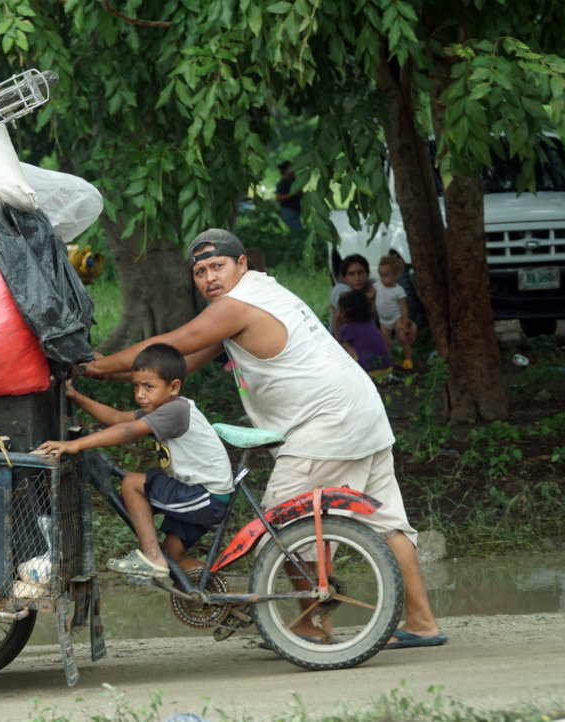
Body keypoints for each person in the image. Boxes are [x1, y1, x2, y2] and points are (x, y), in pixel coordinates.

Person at [82, 228, 446, 650]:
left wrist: (94, 367)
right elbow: (173, 365)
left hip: (327, 424)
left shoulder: (236, 306)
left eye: (217, 266)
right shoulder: (259, 295)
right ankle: (421, 622)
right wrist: (102, 372)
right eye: (200, 272)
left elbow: (168, 344)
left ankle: (311, 628)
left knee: (283, 520)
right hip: (360, 413)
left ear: (241, 264)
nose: (209, 278)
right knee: (388, 525)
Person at [37, 343, 234, 580]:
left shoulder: (175, 411)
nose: (140, 394)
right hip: (205, 496)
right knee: (173, 559)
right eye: (136, 386)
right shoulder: (164, 409)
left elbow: (127, 431)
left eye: (148, 386)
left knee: (131, 483)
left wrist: (75, 444)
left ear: (174, 387)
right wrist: (77, 397)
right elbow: (118, 418)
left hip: (205, 496)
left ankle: (152, 556)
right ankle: (222, 595)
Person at [338, 289, 394, 382]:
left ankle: (361, 374)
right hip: (388, 368)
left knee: (345, 344)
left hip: (371, 372)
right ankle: (385, 378)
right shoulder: (370, 322)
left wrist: (336, 321)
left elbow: (337, 340)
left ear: (345, 311)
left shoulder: (346, 329)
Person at [375, 255, 417, 370]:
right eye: (380, 275)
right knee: (386, 342)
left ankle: (408, 360)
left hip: (396, 318)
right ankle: (388, 361)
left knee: (403, 339)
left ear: (396, 275)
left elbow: (403, 307)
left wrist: (405, 322)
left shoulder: (398, 290)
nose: (382, 279)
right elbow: (371, 293)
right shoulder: (378, 285)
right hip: (383, 321)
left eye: (385, 276)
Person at [328, 253, 375, 338]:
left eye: (360, 273)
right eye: (351, 274)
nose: (357, 278)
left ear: (367, 274)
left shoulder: (370, 285)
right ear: (344, 278)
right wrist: (369, 296)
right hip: (340, 339)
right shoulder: (340, 289)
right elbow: (353, 302)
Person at [274, 161, 303, 231]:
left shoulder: (295, 180)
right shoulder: (282, 183)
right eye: (291, 167)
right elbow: (278, 198)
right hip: (289, 211)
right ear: (285, 170)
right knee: (297, 230)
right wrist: (292, 194)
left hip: (296, 210)